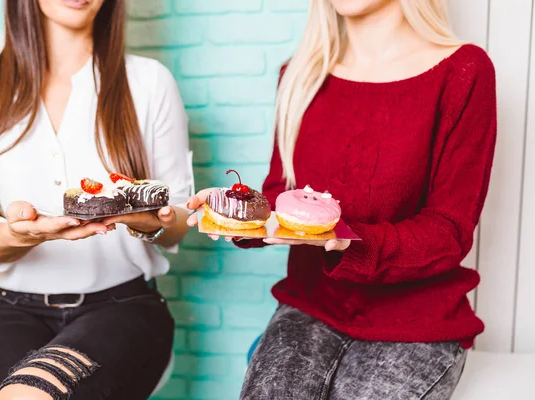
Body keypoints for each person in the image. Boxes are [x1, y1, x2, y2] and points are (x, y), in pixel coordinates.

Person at [187, 0, 496, 398]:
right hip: (310, 304)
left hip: (415, 320)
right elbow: (281, 195)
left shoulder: (463, 71)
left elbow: (449, 229)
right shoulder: (299, 75)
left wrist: (350, 242)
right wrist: (234, 212)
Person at [0, 0, 192, 399]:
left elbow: (177, 218)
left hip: (123, 308)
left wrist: (144, 218)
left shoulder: (149, 82)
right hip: (11, 311)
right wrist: (21, 235)